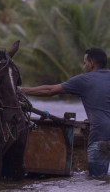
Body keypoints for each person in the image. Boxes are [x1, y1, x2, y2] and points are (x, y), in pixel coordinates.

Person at [21, 47, 110, 178]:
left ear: (91, 64)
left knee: (97, 181)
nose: (84, 67)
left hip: (100, 137)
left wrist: (21, 90)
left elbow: (50, 90)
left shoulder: (84, 80)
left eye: (85, 63)